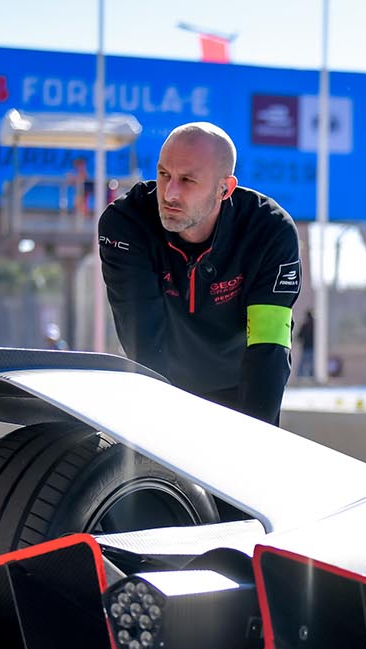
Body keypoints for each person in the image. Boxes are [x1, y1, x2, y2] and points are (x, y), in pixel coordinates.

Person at [98, 122, 301, 424]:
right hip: (166, 385)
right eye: (163, 174)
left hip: (241, 383)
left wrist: (260, 440)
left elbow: (268, 349)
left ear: (225, 188)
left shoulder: (270, 232)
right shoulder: (126, 223)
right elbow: (143, 342)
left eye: (187, 180)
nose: (169, 193)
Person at [295, 309, 316, 378]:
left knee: (304, 363)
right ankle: (310, 377)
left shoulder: (305, 325)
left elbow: (299, 337)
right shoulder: (314, 326)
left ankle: (300, 377)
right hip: (310, 348)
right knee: (310, 363)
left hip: (307, 347)